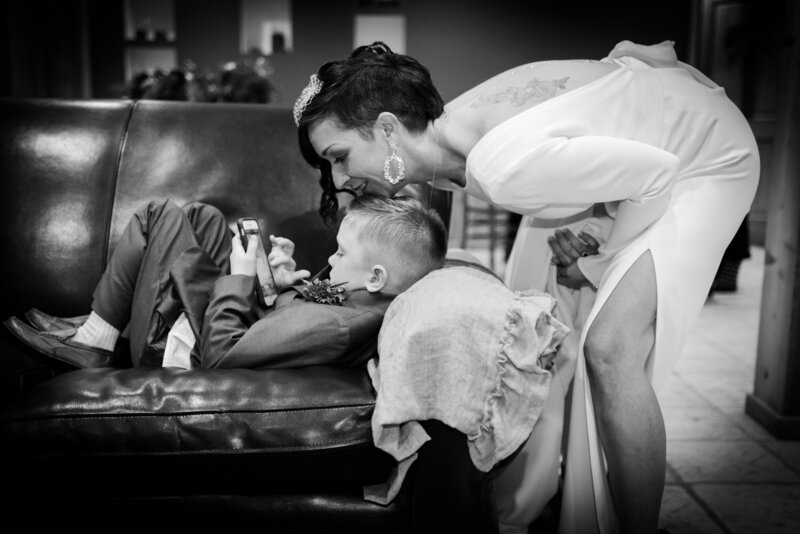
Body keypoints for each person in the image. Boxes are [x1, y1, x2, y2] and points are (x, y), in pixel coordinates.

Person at [292, 39, 760, 534]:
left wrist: (600, 261)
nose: (338, 178)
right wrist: (594, 224)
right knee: (548, 324)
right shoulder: (448, 143)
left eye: (338, 157)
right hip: (655, 146)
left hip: (705, 160)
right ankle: (559, 503)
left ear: (387, 128)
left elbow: (657, 174)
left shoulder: (499, 168)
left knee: (609, 348)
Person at [4, 195, 447, 371]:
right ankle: (104, 325)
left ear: (376, 276)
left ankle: (96, 339)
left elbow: (220, 357)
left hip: (179, 350)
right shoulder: (362, 301)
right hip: (208, 322)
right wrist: (277, 282)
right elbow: (280, 322)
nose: (331, 259)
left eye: (341, 253)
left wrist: (239, 277)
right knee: (204, 217)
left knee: (159, 215)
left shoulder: (334, 327)